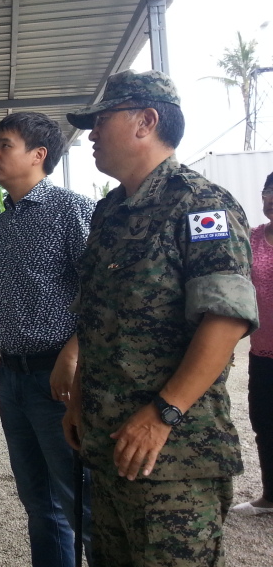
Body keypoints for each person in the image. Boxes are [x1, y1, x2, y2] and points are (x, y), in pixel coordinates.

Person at [62, 70, 258, 566]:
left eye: (101, 121)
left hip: (174, 456)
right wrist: (80, 398)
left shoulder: (201, 205)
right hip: (109, 445)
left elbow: (227, 317)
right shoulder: (109, 212)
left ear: (146, 122)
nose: (91, 134)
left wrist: (163, 413)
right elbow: (99, 319)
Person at [0, 112, 94, 566]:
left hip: (59, 381)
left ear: (39, 155)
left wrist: (74, 352)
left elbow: (100, 292)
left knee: (81, 504)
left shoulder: (72, 210)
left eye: (5, 145)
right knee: (38, 504)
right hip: (14, 382)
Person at [230, 173, 273, 515]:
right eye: (269, 192)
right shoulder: (252, 238)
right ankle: (271, 497)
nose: (272, 199)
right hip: (263, 353)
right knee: (265, 424)